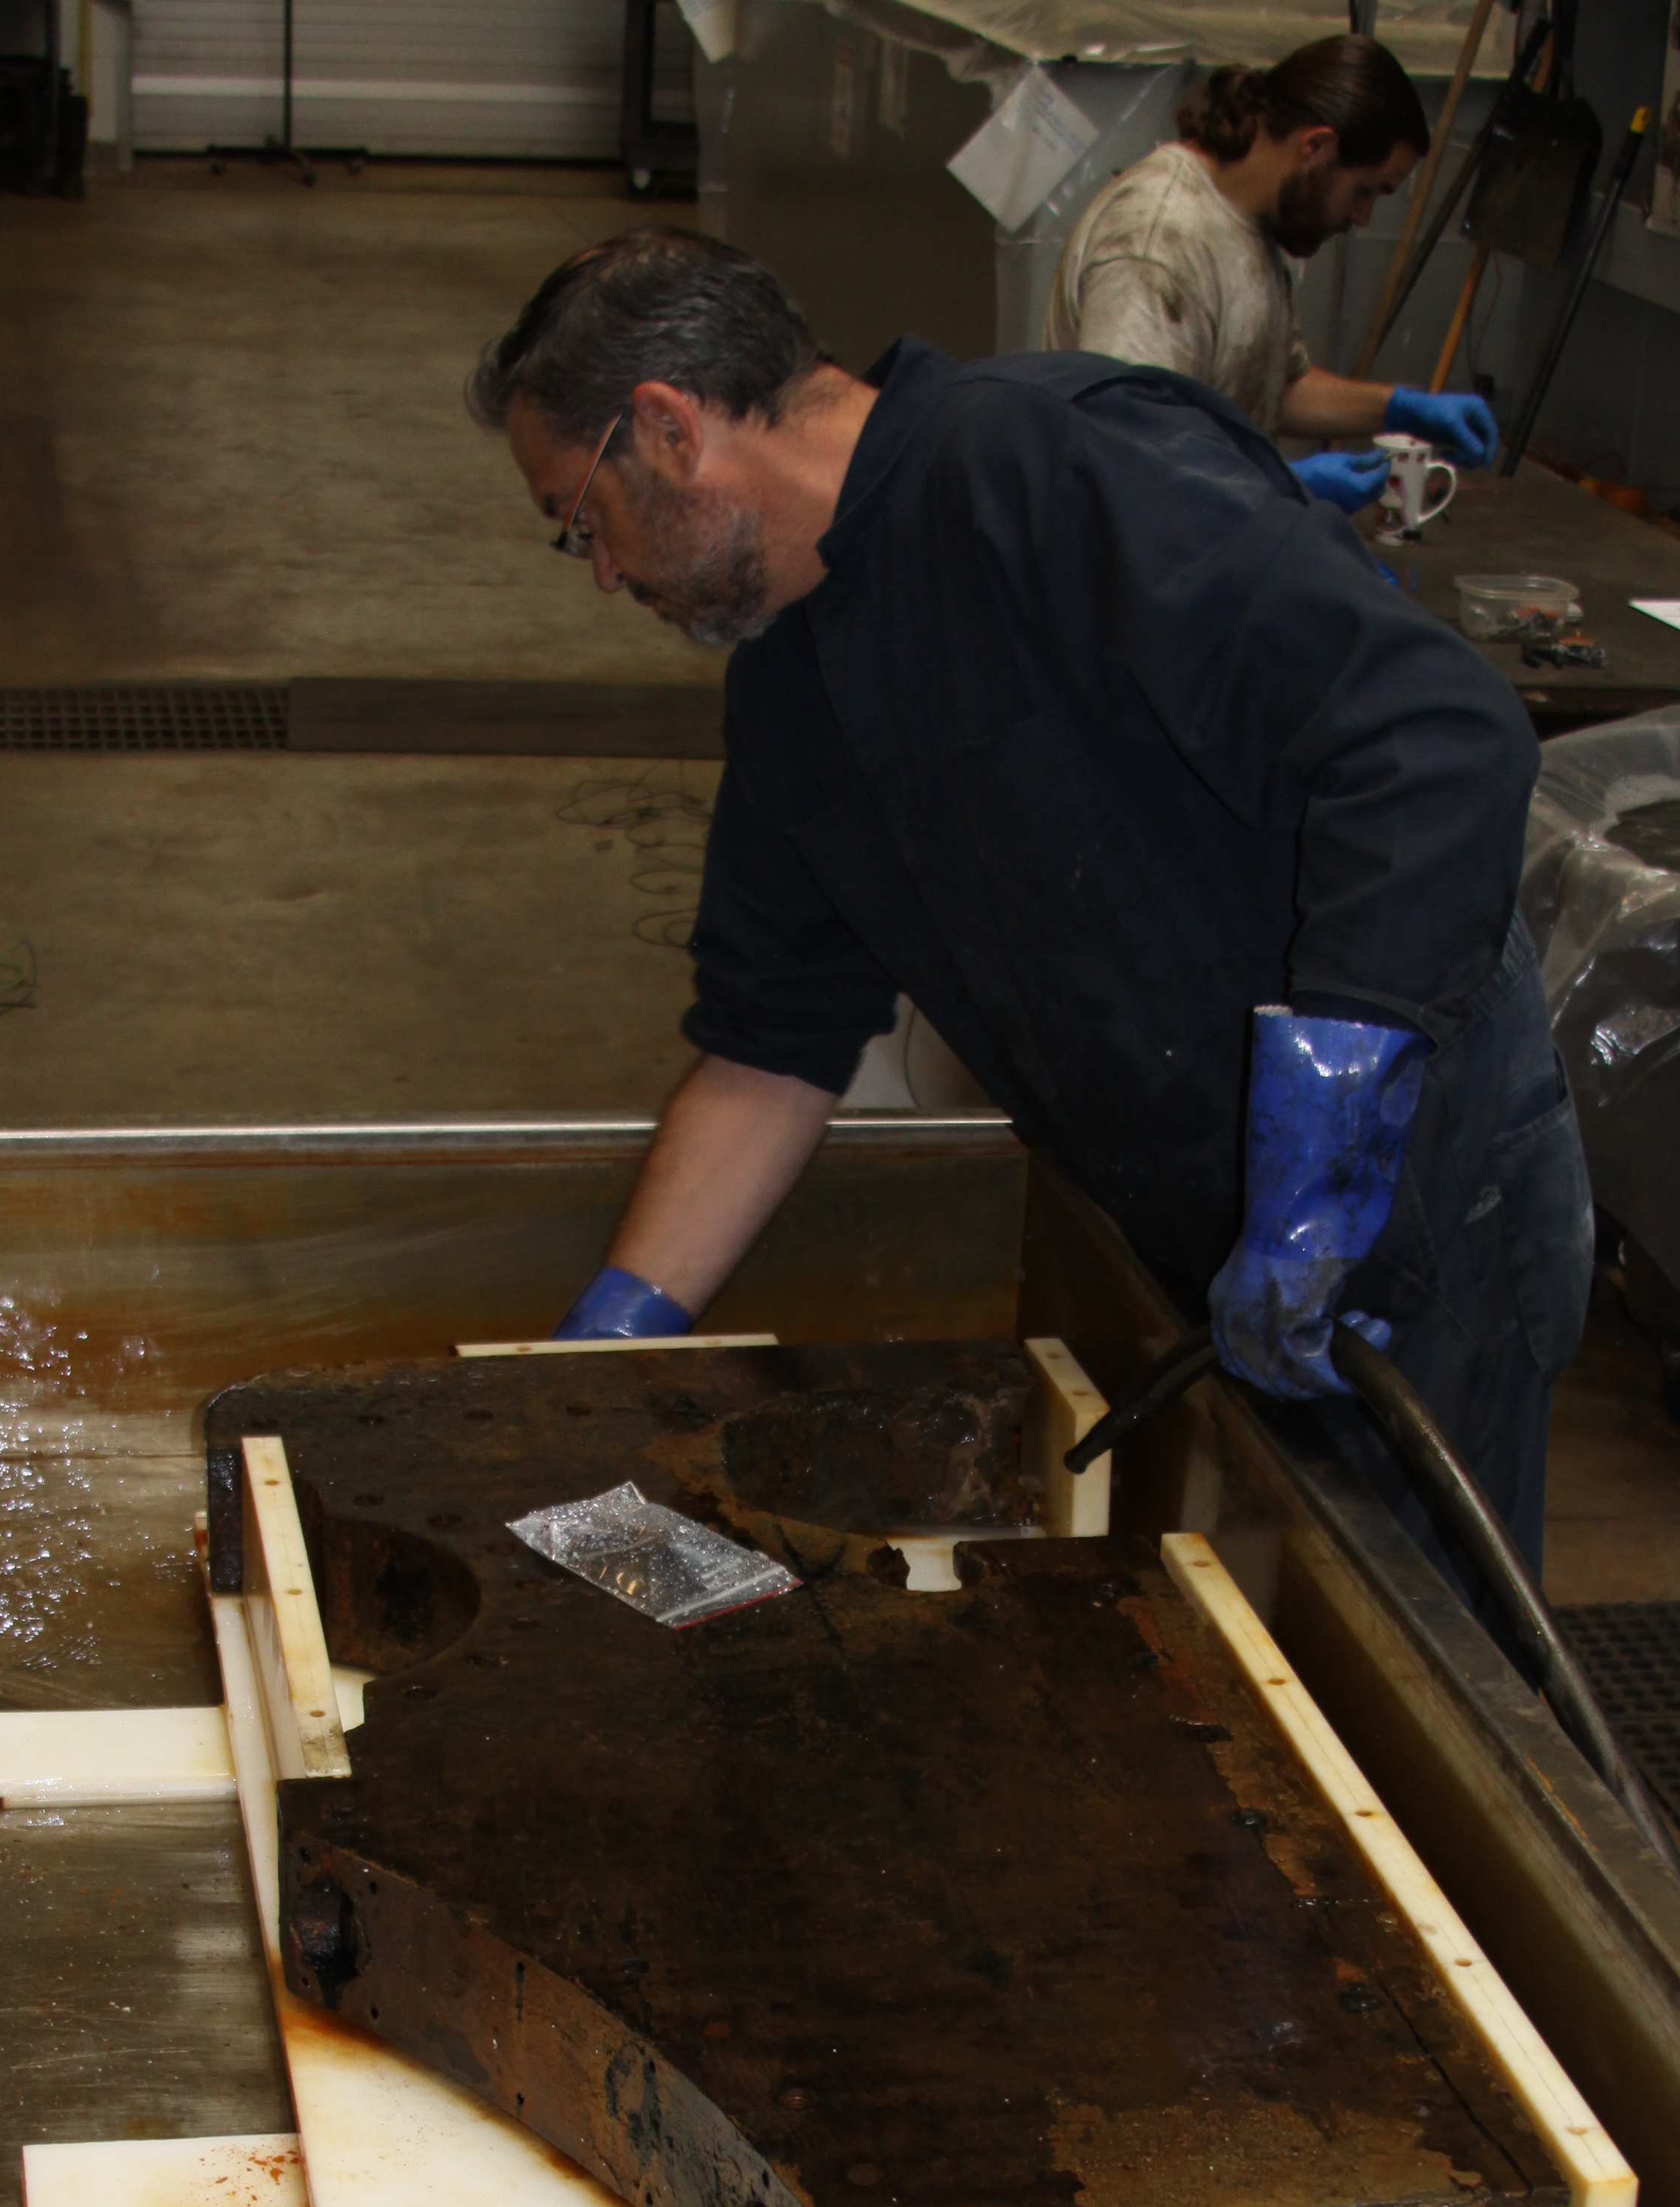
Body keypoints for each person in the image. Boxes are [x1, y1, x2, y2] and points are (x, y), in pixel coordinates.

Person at [470, 231, 1590, 1605]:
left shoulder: (1053, 470)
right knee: (1280, 1621)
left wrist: (1321, 1167)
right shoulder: (790, 693)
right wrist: (613, 1336)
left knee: (1430, 1645)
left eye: (581, 519)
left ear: (666, 428)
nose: (599, 572)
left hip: (1411, 1184)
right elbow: (770, 1049)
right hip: (1200, 1220)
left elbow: (1433, 740)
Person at [1044, 43, 1496, 514]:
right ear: (1316, 147)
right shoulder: (1157, 243)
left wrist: (1403, 410)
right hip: (1132, 550)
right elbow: (1125, 460)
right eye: (1365, 191)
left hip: (1199, 537)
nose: (1363, 217)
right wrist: (1284, 484)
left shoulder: (1250, 223)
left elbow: (1273, 387)